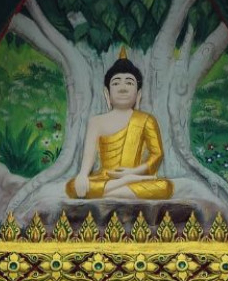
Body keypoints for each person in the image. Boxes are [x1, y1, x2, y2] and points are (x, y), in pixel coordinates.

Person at [64, 56, 175, 201]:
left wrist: (132, 172)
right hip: (107, 178)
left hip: (134, 175)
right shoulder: (96, 121)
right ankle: (123, 184)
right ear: (107, 93)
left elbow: (157, 155)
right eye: (116, 83)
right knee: (72, 186)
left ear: (138, 94)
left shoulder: (146, 120)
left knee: (166, 187)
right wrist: (83, 175)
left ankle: (110, 190)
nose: (123, 88)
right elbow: (88, 156)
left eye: (129, 83)